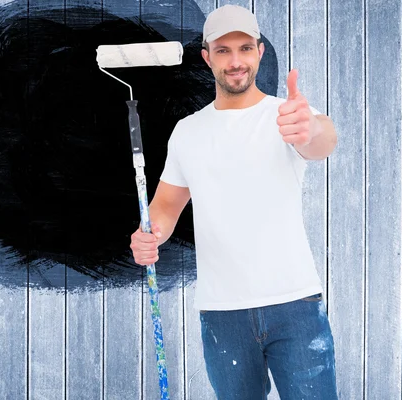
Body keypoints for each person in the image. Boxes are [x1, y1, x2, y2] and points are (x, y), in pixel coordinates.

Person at [130, 4, 338, 399]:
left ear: (259, 52)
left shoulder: (287, 114)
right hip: (222, 313)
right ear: (207, 57)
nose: (236, 60)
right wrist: (149, 234)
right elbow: (165, 207)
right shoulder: (187, 132)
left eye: (245, 48)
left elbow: (321, 141)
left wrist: (310, 127)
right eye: (223, 50)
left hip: (294, 305)